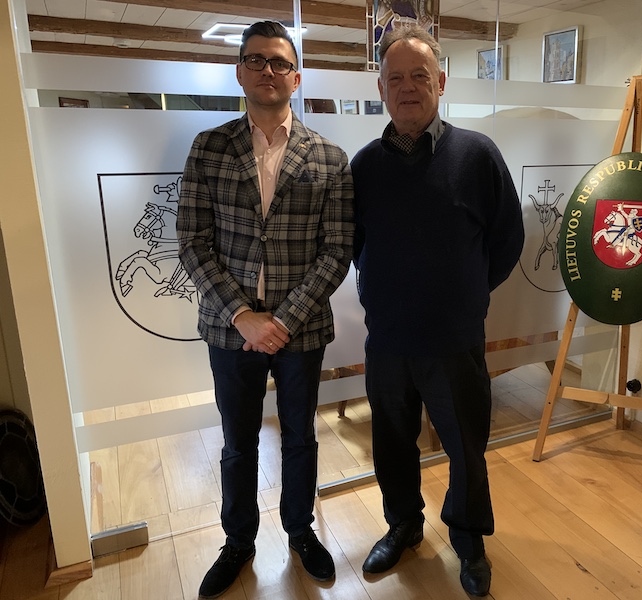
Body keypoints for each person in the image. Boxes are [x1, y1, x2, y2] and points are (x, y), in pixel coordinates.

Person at [177, 20, 354, 600]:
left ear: (296, 78)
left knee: (300, 436)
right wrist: (242, 315)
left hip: (302, 328)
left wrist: (283, 320)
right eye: (256, 60)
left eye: (279, 62)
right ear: (239, 73)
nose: (268, 70)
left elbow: (338, 249)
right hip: (229, 328)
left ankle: (301, 531)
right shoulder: (209, 147)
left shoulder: (330, 157)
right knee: (238, 442)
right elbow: (192, 241)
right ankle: (238, 541)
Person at [351, 25, 524, 598]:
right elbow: (355, 245)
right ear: (381, 89)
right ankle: (403, 525)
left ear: (441, 82)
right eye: (395, 78)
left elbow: (507, 240)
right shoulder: (364, 167)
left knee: (466, 447)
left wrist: (466, 293)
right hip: (388, 339)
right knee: (391, 442)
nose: (407, 87)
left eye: (419, 76)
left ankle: (469, 539)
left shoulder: (477, 155)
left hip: (454, 339)